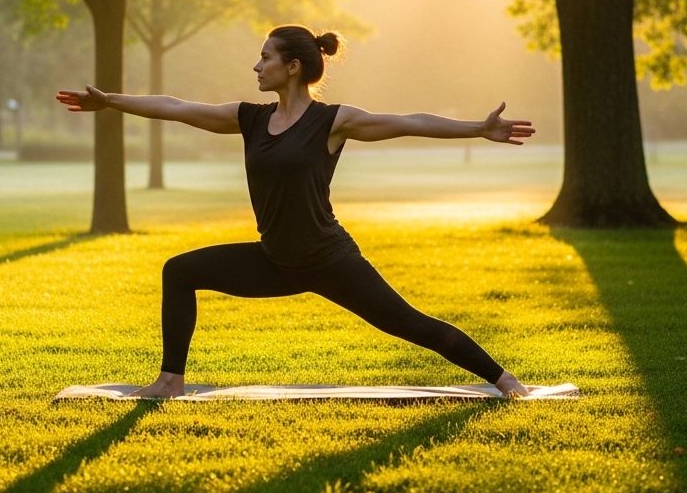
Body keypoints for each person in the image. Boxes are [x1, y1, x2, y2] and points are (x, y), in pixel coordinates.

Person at [56, 25, 536, 399]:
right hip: (275, 260)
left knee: (410, 324)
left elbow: (409, 122)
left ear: (291, 66)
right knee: (180, 271)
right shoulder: (251, 118)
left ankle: (505, 380)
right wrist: (111, 101)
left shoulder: (333, 122)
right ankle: (169, 380)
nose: (256, 65)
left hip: (329, 259)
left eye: (265, 57)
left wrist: (478, 127)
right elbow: (178, 107)